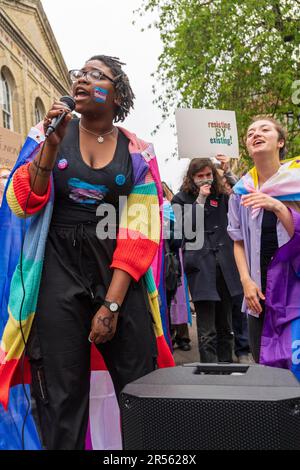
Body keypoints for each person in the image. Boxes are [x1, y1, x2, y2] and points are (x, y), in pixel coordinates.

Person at [0, 55, 174, 450]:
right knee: (63, 396)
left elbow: (141, 230)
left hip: (117, 269)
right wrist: (50, 148)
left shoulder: (137, 152)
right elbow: (21, 203)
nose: (83, 79)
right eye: (81, 72)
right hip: (58, 267)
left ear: (118, 94)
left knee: (139, 389)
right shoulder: (48, 133)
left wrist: (111, 306)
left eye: (98, 75)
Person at [228, 116, 300, 370]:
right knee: (265, 370)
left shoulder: (297, 182)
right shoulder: (241, 191)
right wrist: (246, 281)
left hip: (294, 292)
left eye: (264, 129)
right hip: (258, 295)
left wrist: (278, 207)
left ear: (280, 142)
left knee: (294, 368)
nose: (255, 134)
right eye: (250, 133)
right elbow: (237, 241)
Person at [172, 158, 243, 363]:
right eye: (200, 176)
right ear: (192, 178)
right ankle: (209, 374)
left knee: (225, 327)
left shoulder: (222, 195)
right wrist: (200, 201)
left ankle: (226, 369)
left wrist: (228, 170)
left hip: (225, 267)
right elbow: (185, 230)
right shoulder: (180, 199)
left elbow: (242, 193)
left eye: (208, 175)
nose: (205, 180)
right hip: (201, 268)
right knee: (207, 330)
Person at [161, 182, 191, 352]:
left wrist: (167, 231)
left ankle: (181, 336)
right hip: (156, 265)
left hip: (172, 263)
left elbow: (178, 240)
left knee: (178, 299)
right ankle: (167, 337)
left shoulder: (170, 210)